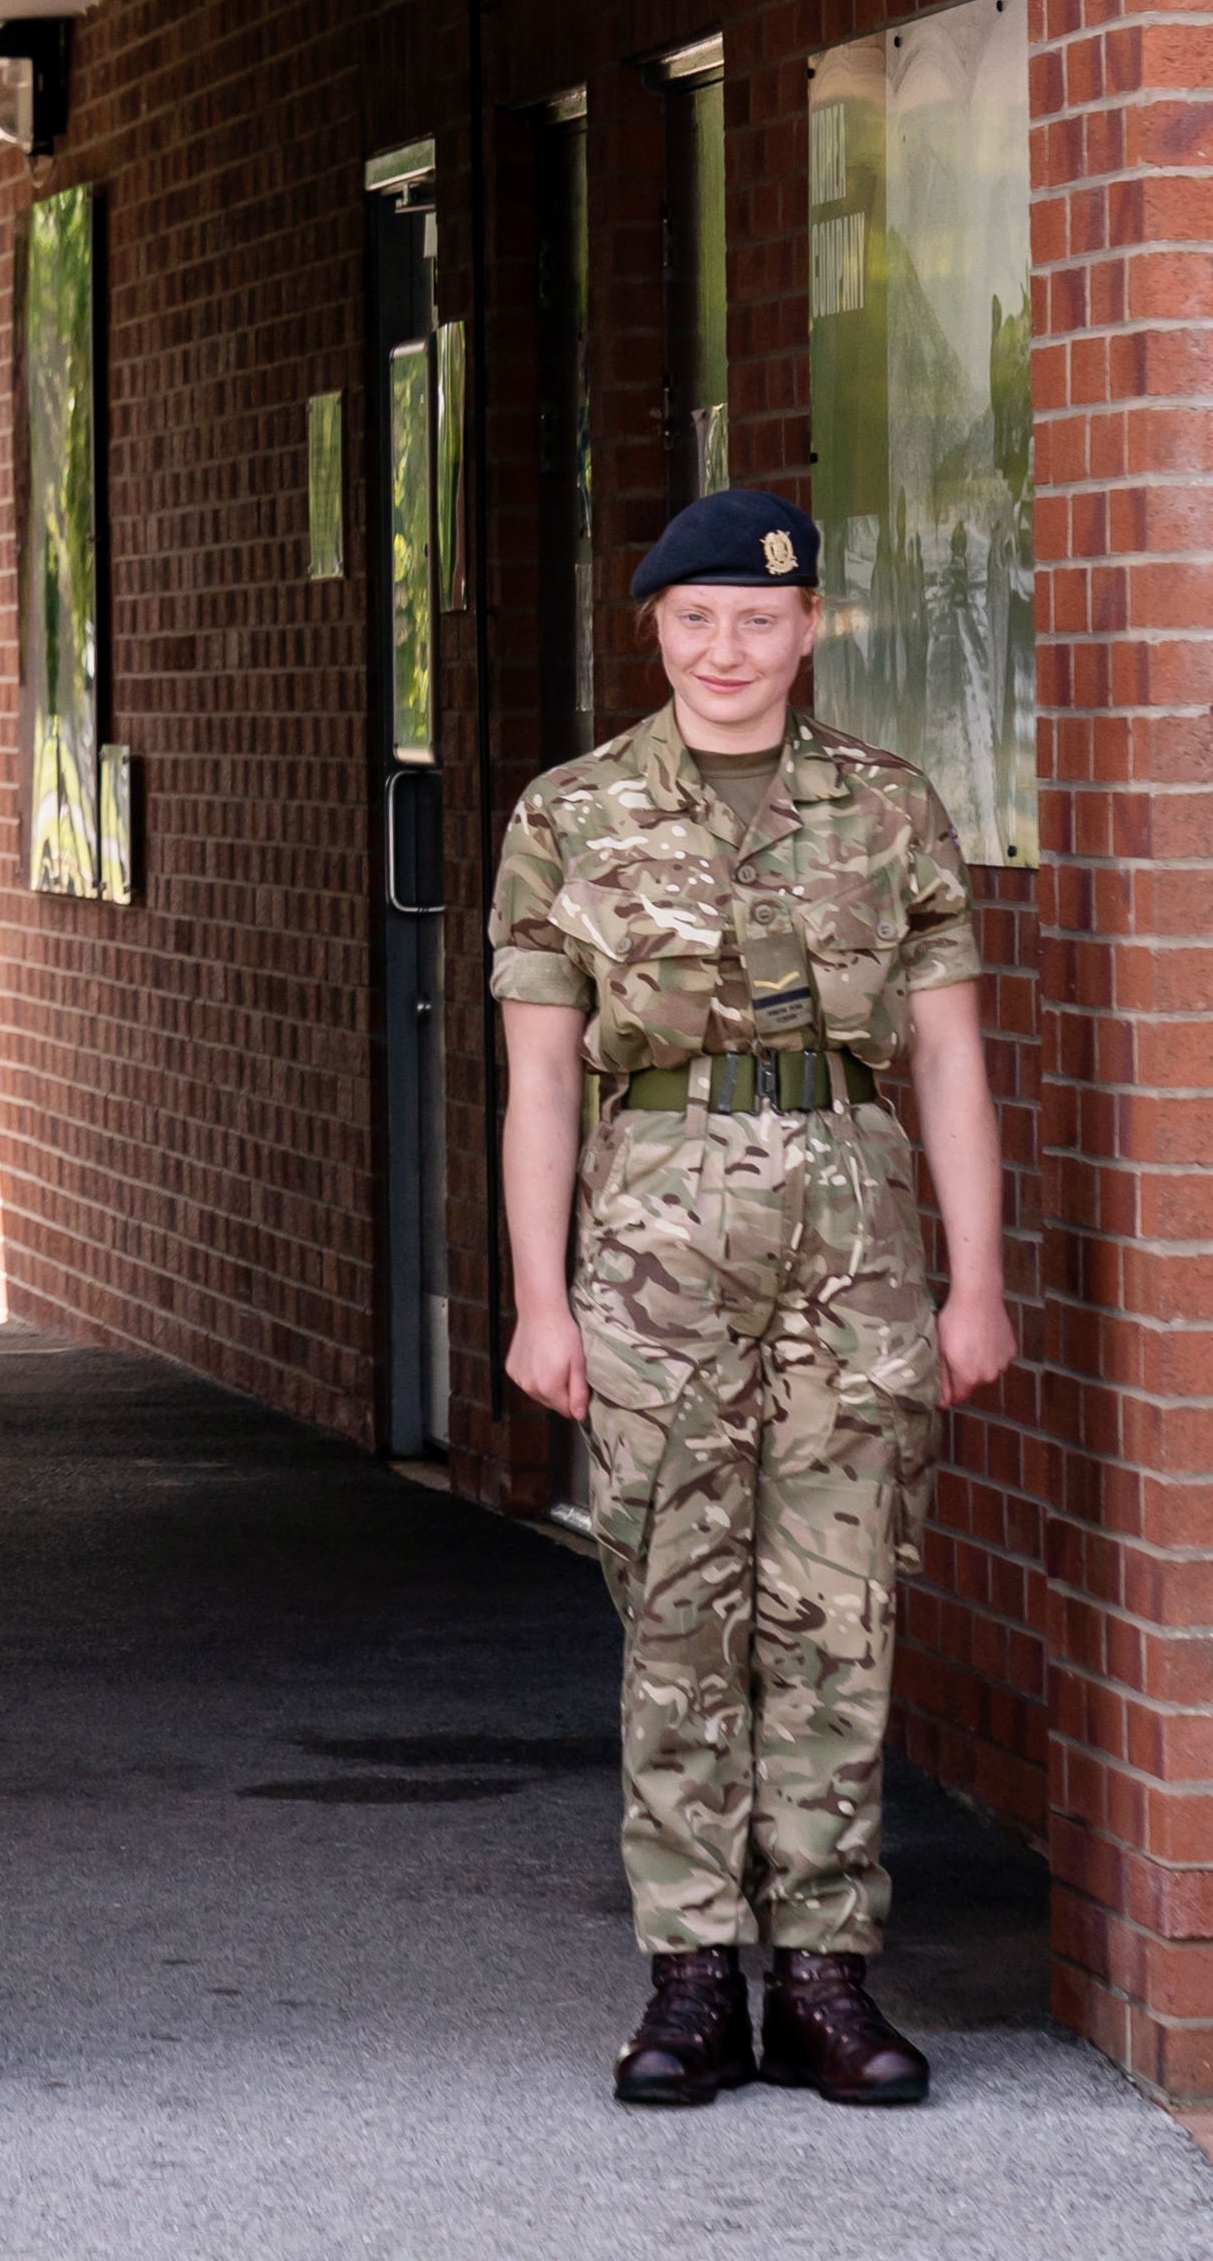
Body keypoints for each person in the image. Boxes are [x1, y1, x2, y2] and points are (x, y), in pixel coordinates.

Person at [491, 486, 1015, 2112]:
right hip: (652, 1245)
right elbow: (537, 1087)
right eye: (695, 620)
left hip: (858, 1247)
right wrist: (537, 1303)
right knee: (674, 1605)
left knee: (840, 1607)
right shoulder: (571, 816)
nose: (727, 650)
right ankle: (693, 1977)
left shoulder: (888, 807)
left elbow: (944, 1058)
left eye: (760, 621)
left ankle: (828, 1977)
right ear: (654, 629)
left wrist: (977, 1282)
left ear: (809, 632)